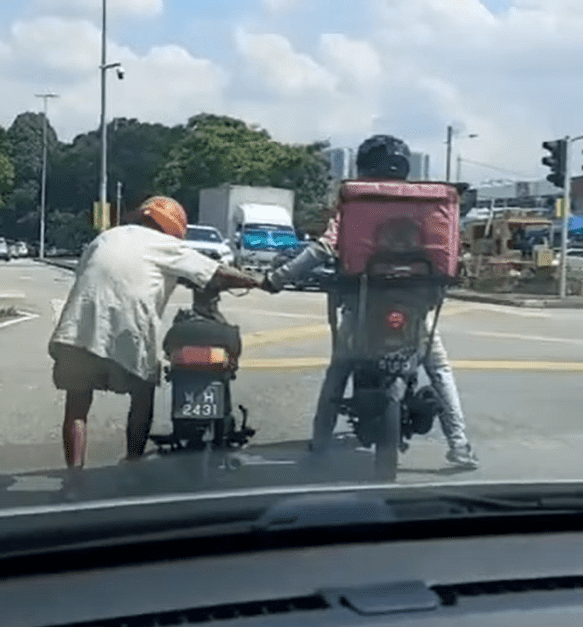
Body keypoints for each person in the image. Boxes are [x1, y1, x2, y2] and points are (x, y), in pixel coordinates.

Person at [262, 135, 479, 470]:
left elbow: (322, 249)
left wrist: (276, 279)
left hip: (363, 311)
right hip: (417, 311)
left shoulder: (358, 202)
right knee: (438, 368)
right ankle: (460, 446)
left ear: (363, 167)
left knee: (340, 368)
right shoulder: (426, 206)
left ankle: (320, 442)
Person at [49, 195, 260, 469]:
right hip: (128, 329)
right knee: (142, 393)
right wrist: (261, 281)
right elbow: (216, 272)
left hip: (79, 324)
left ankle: (75, 476)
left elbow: (89, 274)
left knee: (77, 405)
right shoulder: (167, 245)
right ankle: (133, 462)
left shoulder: (105, 237)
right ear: (173, 229)